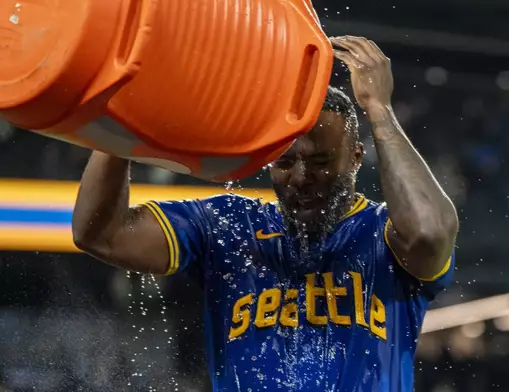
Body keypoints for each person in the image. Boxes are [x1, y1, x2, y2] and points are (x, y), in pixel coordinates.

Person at [72, 36, 459, 391]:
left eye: (322, 161)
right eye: (285, 162)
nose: (302, 178)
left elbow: (429, 232)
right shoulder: (227, 225)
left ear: (357, 157)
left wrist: (379, 109)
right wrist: (122, 117)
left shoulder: (384, 232)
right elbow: (101, 233)